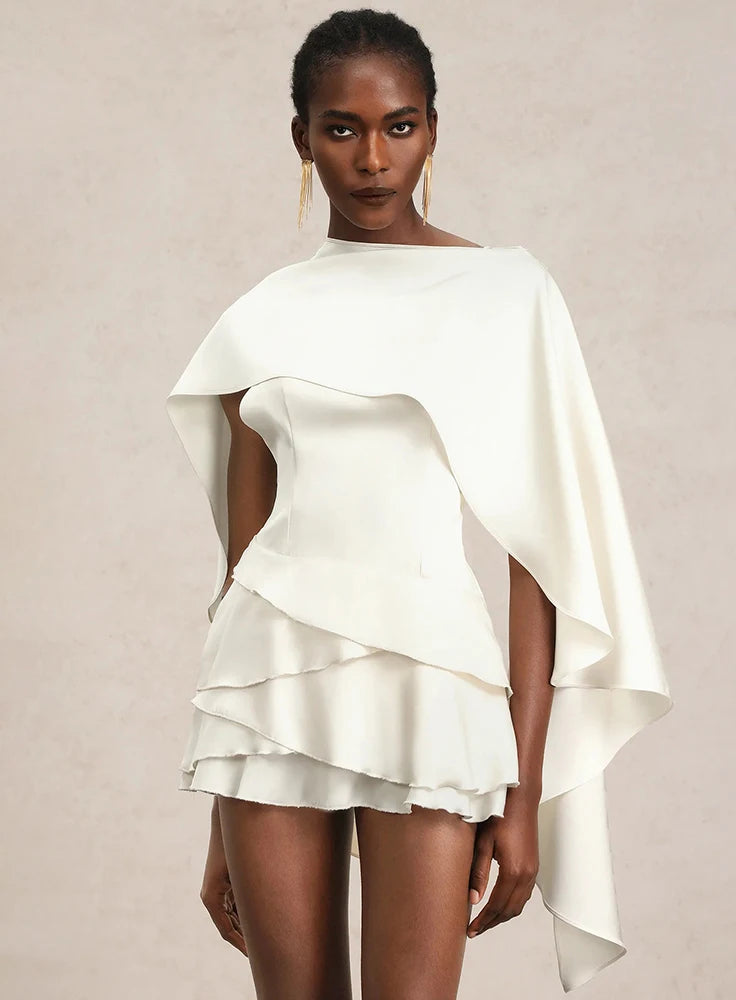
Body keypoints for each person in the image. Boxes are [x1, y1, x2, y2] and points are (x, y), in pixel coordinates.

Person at [166, 9, 672, 999]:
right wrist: (221, 798)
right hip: (270, 691)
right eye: (341, 129)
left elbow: (543, 563)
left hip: (434, 685)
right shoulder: (258, 320)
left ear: (432, 129)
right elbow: (243, 565)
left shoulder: (504, 295)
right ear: (302, 138)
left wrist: (521, 790)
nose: (372, 159)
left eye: (399, 125)